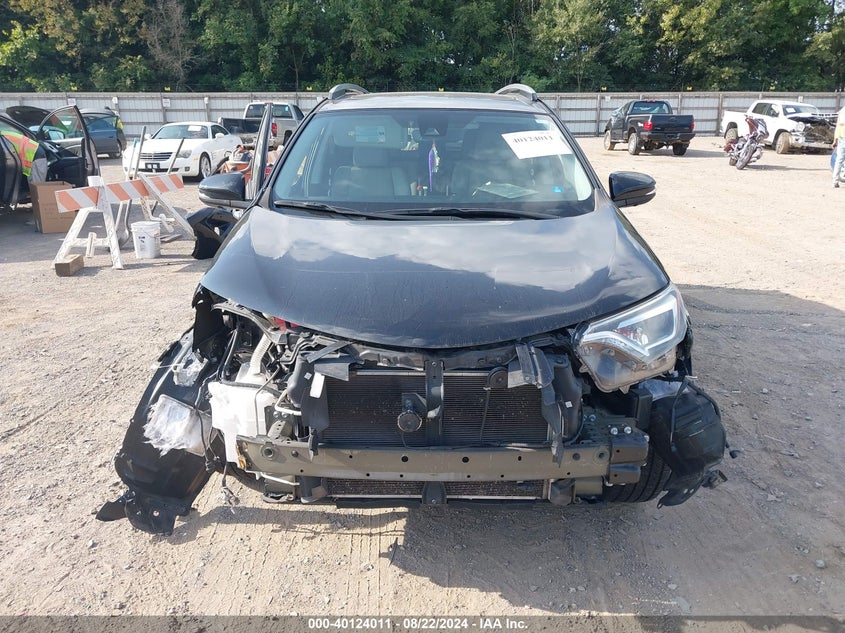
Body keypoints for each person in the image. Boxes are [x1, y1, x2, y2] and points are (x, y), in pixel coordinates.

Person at [832, 104, 845, 188]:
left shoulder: (841, 112)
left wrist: (835, 139)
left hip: (841, 138)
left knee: (839, 160)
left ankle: (835, 181)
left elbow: (838, 126)